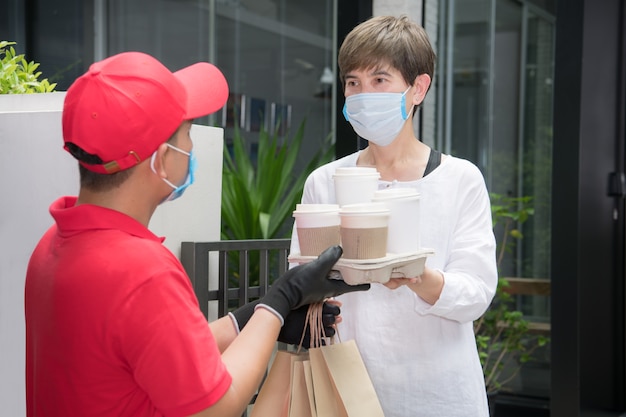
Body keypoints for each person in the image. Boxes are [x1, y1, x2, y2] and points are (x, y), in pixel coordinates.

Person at [24, 51, 370, 417]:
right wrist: (281, 301)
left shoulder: (52, 246)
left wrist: (253, 318)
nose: (191, 147)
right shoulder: (142, 273)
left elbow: (158, 352)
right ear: (160, 159)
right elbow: (217, 406)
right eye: (186, 134)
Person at [289, 15, 498, 417]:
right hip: (347, 387)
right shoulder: (325, 181)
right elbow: (300, 280)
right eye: (353, 83)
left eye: (379, 80)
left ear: (418, 88)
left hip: (440, 393)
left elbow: (475, 293)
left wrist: (418, 277)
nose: (363, 94)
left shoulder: (460, 179)